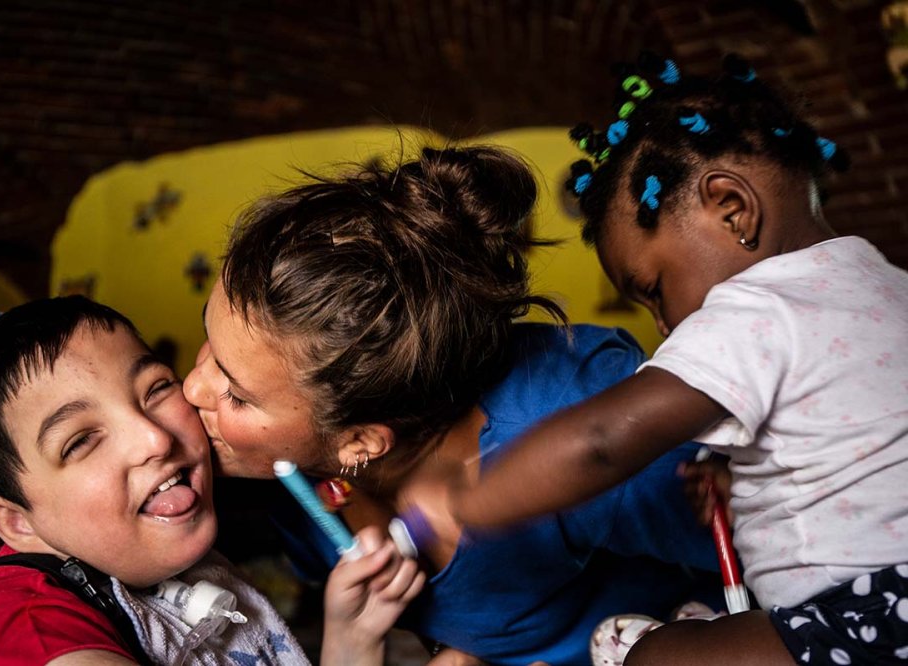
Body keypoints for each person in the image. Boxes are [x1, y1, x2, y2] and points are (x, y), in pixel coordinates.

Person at [183, 145, 722, 666]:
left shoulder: (576, 418)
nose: (191, 390)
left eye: (235, 392)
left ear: (361, 441)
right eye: (208, 343)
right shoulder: (295, 480)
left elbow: (789, 581)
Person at [450, 53, 908, 666]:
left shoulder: (754, 309)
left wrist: (475, 498)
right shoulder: (887, 286)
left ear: (732, 208)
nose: (664, 327)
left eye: (654, 289)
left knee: (652, 658)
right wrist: (739, 483)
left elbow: (601, 440)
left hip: (869, 615)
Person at [0, 299, 423, 666]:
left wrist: (350, 645)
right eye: (80, 441)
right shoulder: (11, 620)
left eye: (155, 389)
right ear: (16, 522)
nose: (153, 437)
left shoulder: (157, 565)